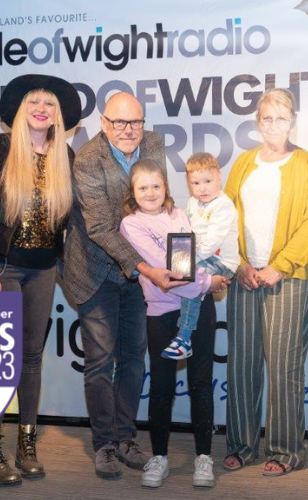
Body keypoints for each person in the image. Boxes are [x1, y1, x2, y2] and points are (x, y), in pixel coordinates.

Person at [58, 92, 182, 480]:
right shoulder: (87, 160)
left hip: (140, 276)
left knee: (134, 358)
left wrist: (181, 257)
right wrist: (147, 268)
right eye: (119, 123)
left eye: (136, 122)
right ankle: (105, 444)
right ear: (103, 123)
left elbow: (160, 205)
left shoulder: (154, 143)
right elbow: (99, 228)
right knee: (100, 360)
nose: (128, 130)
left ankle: (126, 437)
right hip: (96, 271)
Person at [0, 74, 81, 486]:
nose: (41, 109)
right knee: (1, 360)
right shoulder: (0, 148)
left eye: (49, 104)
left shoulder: (64, 155)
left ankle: (26, 446)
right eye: (34, 102)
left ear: (58, 114)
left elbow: (70, 220)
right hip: (4, 269)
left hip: (44, 269)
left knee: (31, 357)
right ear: (20, 110)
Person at [222, 88, 308, 476]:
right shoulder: (243, 163)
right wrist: (239, 264)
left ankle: (285, 452)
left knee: (283, 368)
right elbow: (224, 216)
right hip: (245, 277)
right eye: (267, 118)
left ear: (293, 122)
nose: (274, 125)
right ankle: (241, 445)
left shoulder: (306, 163)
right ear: (257, 122)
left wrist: (279, 266)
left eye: (281, 118)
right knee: (242, 365)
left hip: (287, 278)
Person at [119, 159, 228, 488]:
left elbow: (189, 263)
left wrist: (202, 283)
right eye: (143, 187)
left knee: (200, 383)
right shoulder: (131, 225)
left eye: (156, 185)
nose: (150, 193)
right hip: (163, 314)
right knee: (162, 386)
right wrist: (208, 284)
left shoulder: (180, 214)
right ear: (133, 192)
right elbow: (167, 273)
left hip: (199, 311)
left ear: (166, 187)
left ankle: (204, 457)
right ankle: (160, 457)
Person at [160, 152, 239, 360]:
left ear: (219, 177)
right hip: (201, 257)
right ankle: (181, 331)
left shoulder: (223, 205)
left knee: (192, 281)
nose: (202, 188)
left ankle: (184, 337)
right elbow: (189, 233)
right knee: (183, 279)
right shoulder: (192, 203)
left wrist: (188, 262)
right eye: (195, 183)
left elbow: (213, 241)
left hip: (222, 261)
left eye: (208, 181)